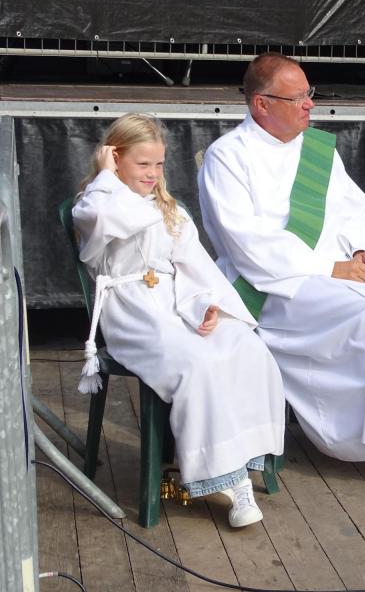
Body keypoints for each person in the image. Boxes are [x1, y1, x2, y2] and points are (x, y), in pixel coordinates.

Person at [198, 53, 365, 509]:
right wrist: (331, 269)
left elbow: (353, 208)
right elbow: (247, 243)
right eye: (300, 97)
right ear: (262, 104)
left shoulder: (317, 148)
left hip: (335, 270)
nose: (311, 105)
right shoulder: (228, 157)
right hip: (274, 287)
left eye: (311, 93)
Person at [73, 113, 286, 528]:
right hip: (133, 314)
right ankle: (225, 479)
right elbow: (104, 218)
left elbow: (194, 267)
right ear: (114, 159)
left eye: (159, 164)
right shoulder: (95, 202)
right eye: (142, 164)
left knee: (247, 348)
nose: (153, 174)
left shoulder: (168, 209)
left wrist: (206, 305)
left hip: (175, 304)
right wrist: (106, 176)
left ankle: (242, 461)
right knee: (197, 364)